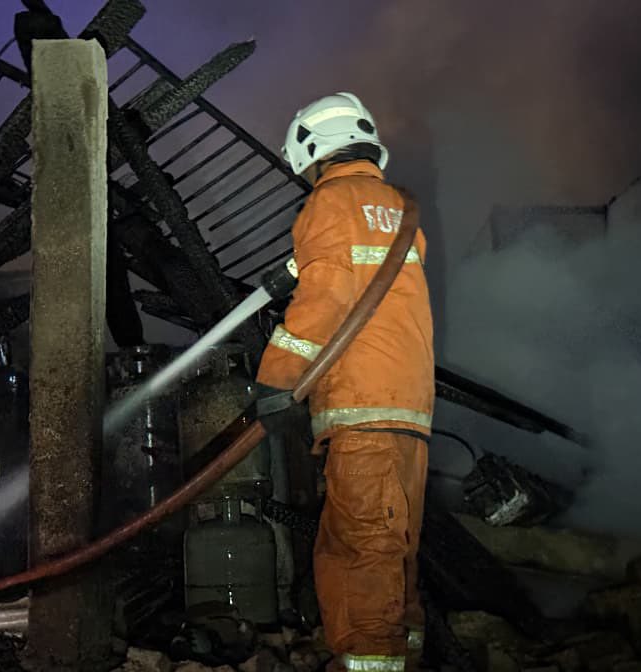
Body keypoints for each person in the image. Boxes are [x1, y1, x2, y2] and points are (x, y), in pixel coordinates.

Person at [253, 92, 435, 672]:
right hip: (407, 407)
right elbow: (361, 279)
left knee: (361, 552)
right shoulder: (392, 208)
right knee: (394, 551)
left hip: (360, 404)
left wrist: (276, 379)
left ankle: (371, 663)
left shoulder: (329, 202)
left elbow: (328, 297)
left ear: (311, 152)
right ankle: (397, 658)